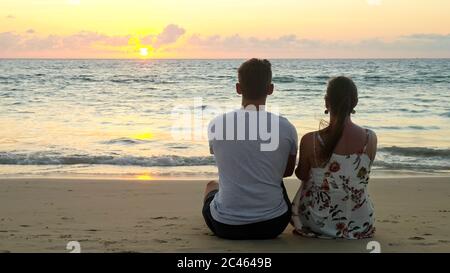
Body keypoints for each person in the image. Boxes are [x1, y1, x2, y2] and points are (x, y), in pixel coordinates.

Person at [202, 58, 298, 240]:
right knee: (272, 178)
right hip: (273, 225)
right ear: (270, 89)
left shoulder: (217, 124)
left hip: (225, 226)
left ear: (238, 88)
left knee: (211, 186)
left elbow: (222, 159)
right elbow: (286, 172)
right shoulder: (286, 127)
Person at [291, 76, 377, 239]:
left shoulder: (311, 140)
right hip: (360, 221)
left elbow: (302, 174)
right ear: (355, 102)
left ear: (326, 102)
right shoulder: (370, 138)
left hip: (318, 221)